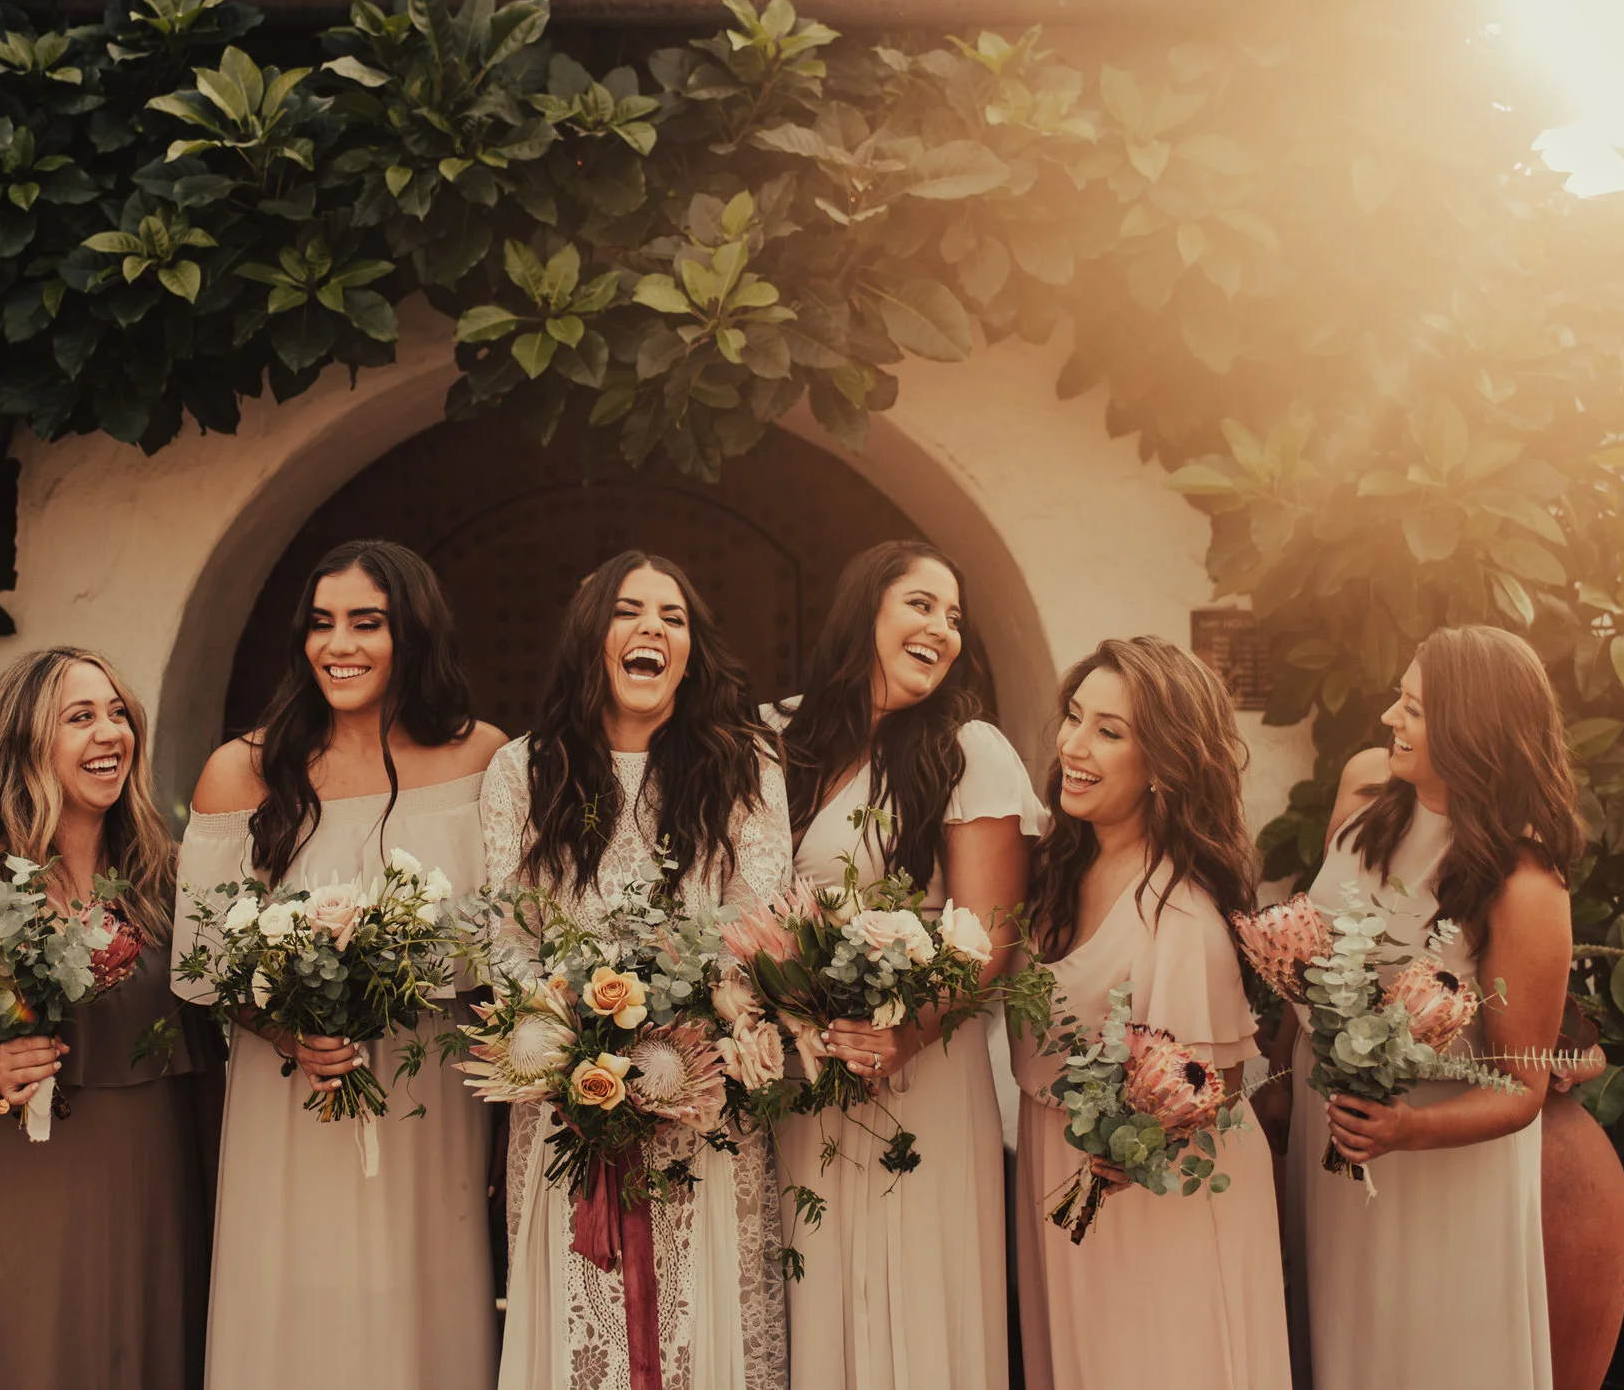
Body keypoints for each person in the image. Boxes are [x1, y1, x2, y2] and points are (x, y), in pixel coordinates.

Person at [182, 540, 506, 1390]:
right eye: (322, 624)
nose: (340, 644)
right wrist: (292, 1026)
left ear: (414, 634)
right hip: (294, 1091)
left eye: (368, 622)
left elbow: (518, 941)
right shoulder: (242, 771)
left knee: (423, 1299)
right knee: (300, 1296)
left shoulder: (485, 761)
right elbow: (205, 961)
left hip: (432, 1093)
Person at [484, 550, 793, 1390]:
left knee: (704, 1320)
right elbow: (508, 937)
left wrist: (693, 1019)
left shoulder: (745, 763)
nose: (652, 627)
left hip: (706, 1099)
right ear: (593, 636)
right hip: (567, 1104)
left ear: (691, 650)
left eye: (674, 616)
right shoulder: (524, 769)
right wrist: (569, 1039)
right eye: (629, 610)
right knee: (583, 1326)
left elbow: (755, 918)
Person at [0, 647, 217, 1390]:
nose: (110, 733)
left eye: (117, 713)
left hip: (152, 1185)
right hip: (14, 1185)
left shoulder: (158, 875)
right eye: (80, 717)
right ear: (26, 740)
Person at [766, 540, 1039, 1390]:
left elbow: (988, 942)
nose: (942, 628)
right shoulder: (786, 739)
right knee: (815, 1283)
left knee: (911, 1285)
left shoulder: (968, 749)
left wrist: (901, 1039)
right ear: (866, 611)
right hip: (806, 1075)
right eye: (922, 604)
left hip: (919, 1067)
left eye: (955, 616)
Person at [1280, 625, 1579, 1390]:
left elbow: (1524, 1084)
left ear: (1470, 729)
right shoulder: (1366, 790)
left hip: (1434, 1171)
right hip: (1329, 1135)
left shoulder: (1525, 883)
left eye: (1412, 708)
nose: (1390, 719)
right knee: (1332, 1342)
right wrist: (1282, 1079)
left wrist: (1406, 1127)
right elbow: (1317, 947)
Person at [1009, 636, 1291, 1390]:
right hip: (1059, 1169)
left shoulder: (1181, 911)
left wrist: (1133, 1147)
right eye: (1074, 717)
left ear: (1164, 762)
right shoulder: (1058, 868)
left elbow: (1217, 1082)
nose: (1073, 744)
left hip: (1158, 1199)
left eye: (1110, 730)